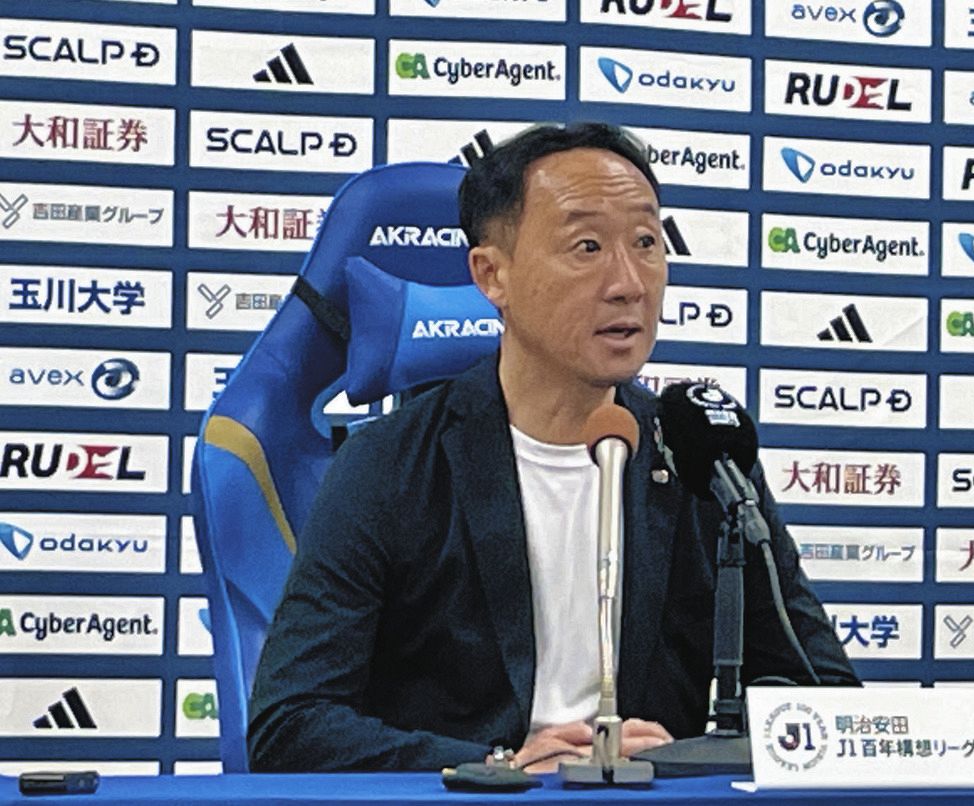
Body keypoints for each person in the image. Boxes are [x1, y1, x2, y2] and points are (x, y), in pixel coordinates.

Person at [247, 122, 859, 773]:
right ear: (492, 275)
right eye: (587, 247)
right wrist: (498, 764)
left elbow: (826, 703)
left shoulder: (701, 458)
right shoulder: (391, 463)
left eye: (647, 243)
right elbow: (290, 725)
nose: (629, 282)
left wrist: (691, 757)